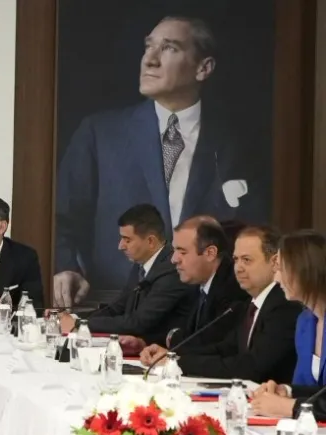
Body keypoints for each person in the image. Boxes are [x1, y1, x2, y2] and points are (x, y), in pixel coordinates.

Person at [53, 16, 261, 308]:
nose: (149, 60)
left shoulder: (235, 142)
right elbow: (62, 217)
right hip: (118, 304)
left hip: (207, 309)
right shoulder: (100, 133)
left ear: (204, 68)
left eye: (169, 48)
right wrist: (67, 267)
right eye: (148, 47)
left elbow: (252, 228)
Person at [141, 225, 299, 383]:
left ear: (274, 263)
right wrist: (171, 356)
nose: (238, 268)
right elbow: (225, 348)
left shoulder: (284, 306)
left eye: (247, 260)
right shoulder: (249, 304)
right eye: (236, 259)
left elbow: (251, 366)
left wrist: (178, 362)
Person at [61, 204, 192, 346]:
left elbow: (137, 323)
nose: (120, 246)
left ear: (150, 241)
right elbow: (116, 308)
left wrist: (79, 323)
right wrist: (73, 318)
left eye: (127, 240)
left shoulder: (172, 271)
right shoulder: (140, 264)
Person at [250, 231, 326, 419]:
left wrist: (291, 407)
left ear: (306, 269)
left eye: (281, 269)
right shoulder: (305, 322)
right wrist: (288, 391)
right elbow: (318, 391)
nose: (276, 279)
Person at [165, 216, 245, 346]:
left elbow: (211, 344)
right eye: (174, 250)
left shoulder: (232, 288)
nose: (174, 259)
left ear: (210, 253)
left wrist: (174, 343)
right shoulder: (196, 284)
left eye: (182, 252)